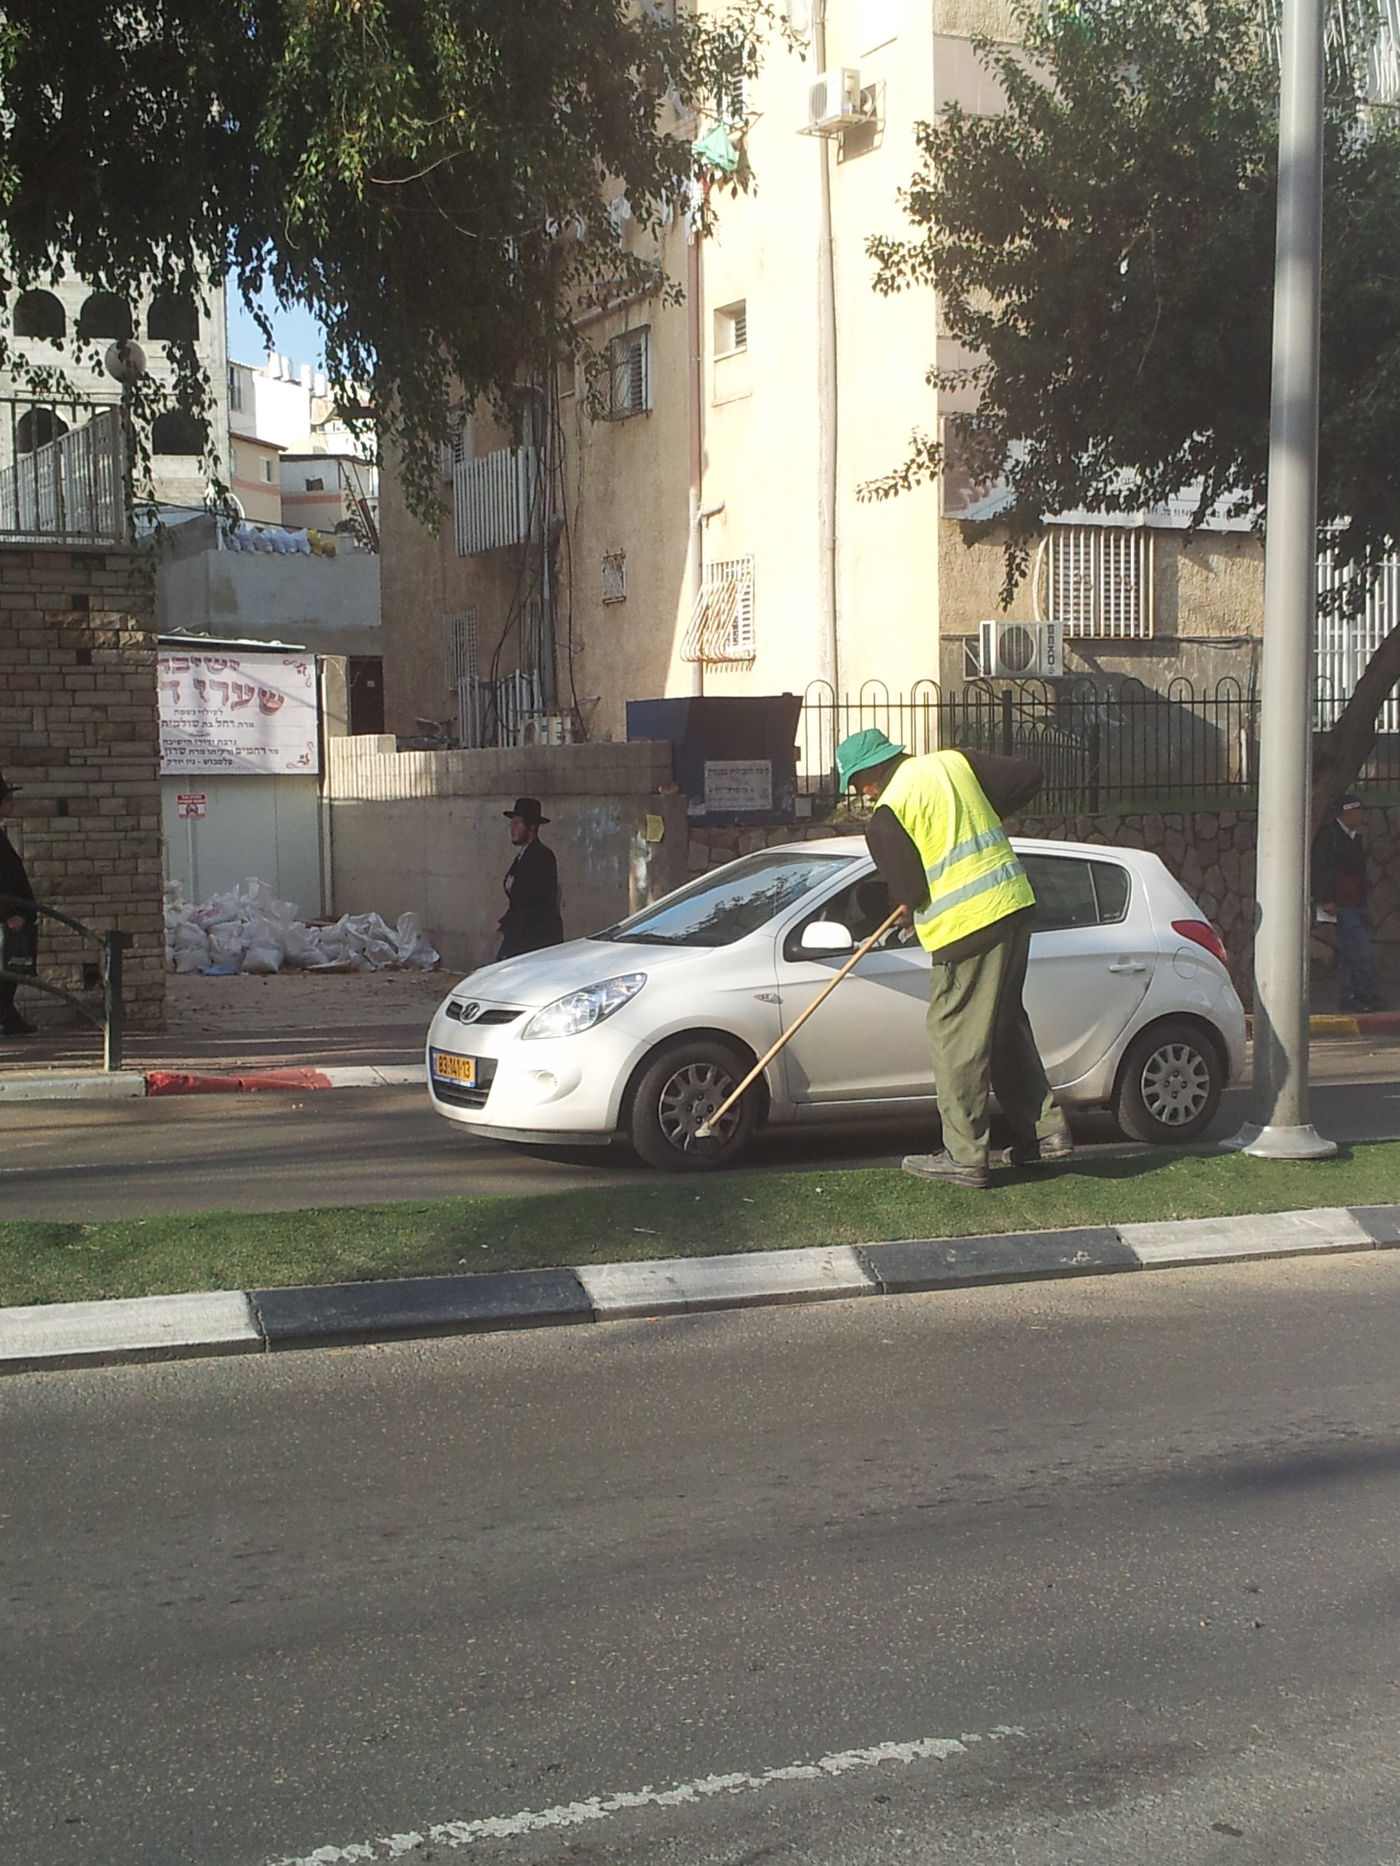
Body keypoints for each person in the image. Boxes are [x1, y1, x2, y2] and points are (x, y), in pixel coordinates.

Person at [833, 727, 1072, 1188]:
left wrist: (902, 906)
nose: (860, 792)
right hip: (1014, 903)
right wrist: (978, 815)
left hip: (966, 927)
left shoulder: (886, 817)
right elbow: (1029, 775)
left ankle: (963, 1155)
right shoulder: (954, 763)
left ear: (873, 770)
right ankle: (1045, 1132)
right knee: (999, 1026)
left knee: (954, 1035)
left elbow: (911, 892)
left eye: (857, 781)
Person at [1311, 793, 1386, 1013]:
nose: (1360, 817)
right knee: (1358, 949)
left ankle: (1359, 993)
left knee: (1353, 950)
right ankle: (1355, 993)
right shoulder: (1330, 836)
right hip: (1343, 903)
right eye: (1357, 812)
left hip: (1357, 900)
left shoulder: (1354, 837)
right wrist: (1326, 899)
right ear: (1347, 813)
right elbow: (1322, 868)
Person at [496, 796, 564, 961]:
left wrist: (508, 922)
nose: (512, 829)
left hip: (536, 938)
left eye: (518, 824)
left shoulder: (541, 857)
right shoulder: (522, 857)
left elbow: (533, 900)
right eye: (512, 824)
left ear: (531, 826)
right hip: (519, 934)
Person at [0, 770, 39, 1037]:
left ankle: (8, 1015)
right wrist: (6, 913)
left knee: (10, 971)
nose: (10, 805)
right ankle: (6, 1016)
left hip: (14, 914)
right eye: (7, 800)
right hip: (7, 917)